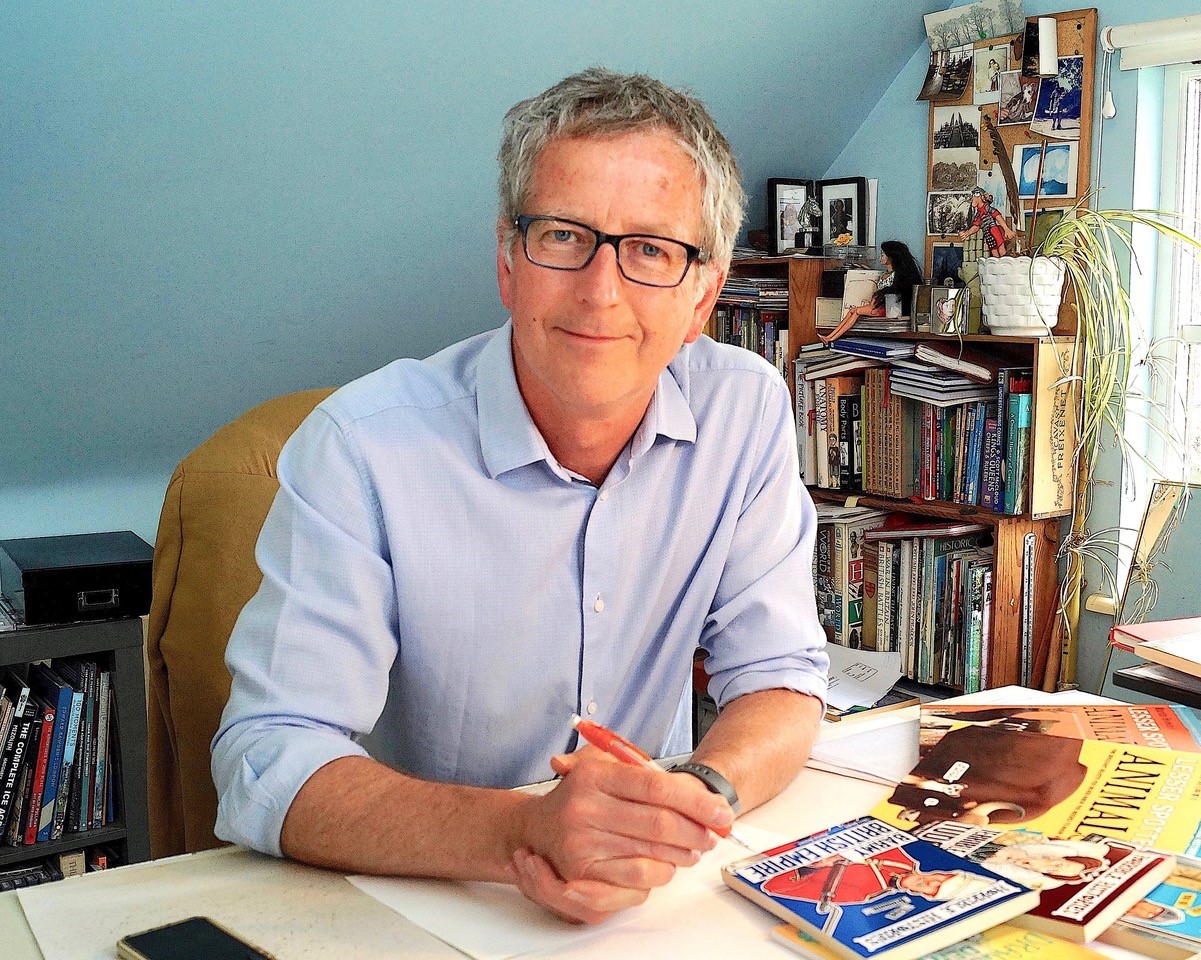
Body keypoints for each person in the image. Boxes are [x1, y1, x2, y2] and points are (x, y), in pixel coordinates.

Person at [211, 68, 828, 927]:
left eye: (650, 249)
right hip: (413, 901)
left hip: (636, 909)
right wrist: (520, 834)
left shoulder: (746, 408)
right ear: (507, 260)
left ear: (703, 297)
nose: (600, 290)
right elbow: (265, 760)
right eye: (564, 236)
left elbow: (781, 679)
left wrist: (682, 802)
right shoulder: (361, 446)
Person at [823, 240, 923, 342]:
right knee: (852, 310)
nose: (880, 258)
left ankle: (832, 337)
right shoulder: (884, 274)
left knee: (857, 311)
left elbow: (892, 294)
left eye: (883, 255)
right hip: (877, 303)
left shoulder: (897, 276)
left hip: (885, 307)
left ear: (891, 258)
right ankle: (831, 335)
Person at [958, 186, 1016, 256]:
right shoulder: (979, 214)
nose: (973, 199)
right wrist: (967, 233)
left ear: (980, 197)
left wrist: (1006, 229)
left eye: (974, 197)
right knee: (994, 251)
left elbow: (997, 216)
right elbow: (976, 226)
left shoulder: (987, 208)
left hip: (993, 230)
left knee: (1001, 249)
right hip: (988, 234)